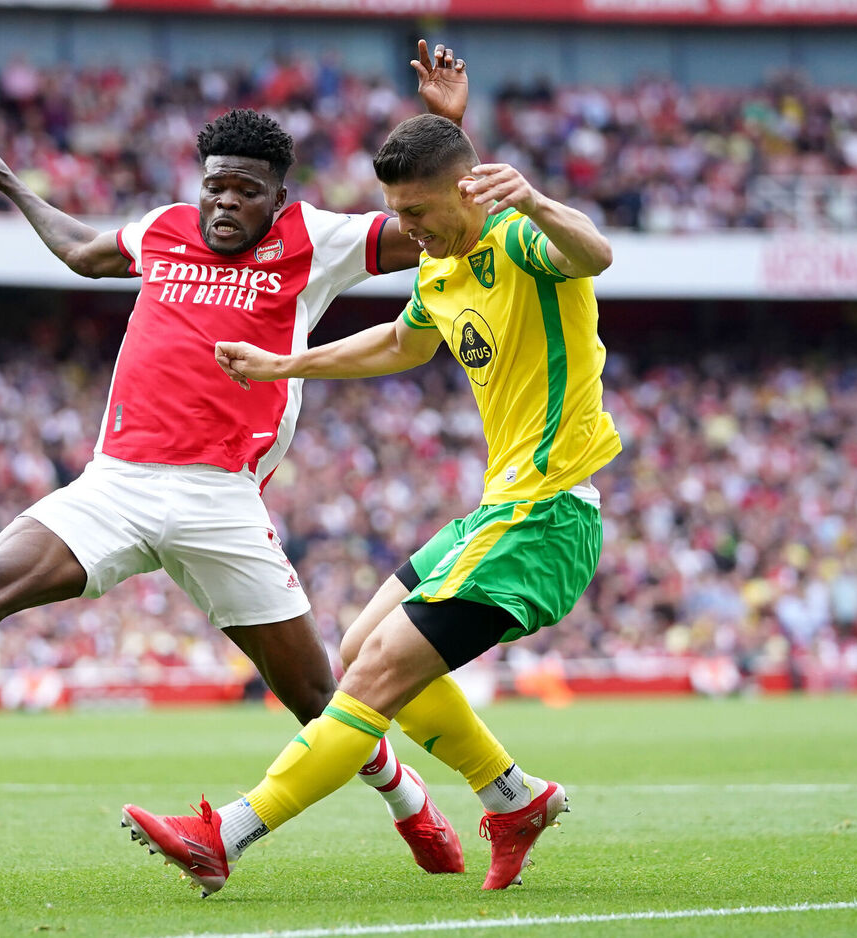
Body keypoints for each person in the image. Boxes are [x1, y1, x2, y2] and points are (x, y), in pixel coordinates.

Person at [0, 44, 480, 876]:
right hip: (118, 481)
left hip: (222, 499)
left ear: (278, 194)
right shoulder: (165, 229)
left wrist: (445, 125)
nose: (224, 202)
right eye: (216, 183)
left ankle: (413, 809)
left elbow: (431, 225)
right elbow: (80, 252)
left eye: (246, 190)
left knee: (317, 698)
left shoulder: (318, 239)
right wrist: (8, 183)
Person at [122, 112, 621, 895]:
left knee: (374, 677)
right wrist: (284, 364)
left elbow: (594, 252)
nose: (408, 231)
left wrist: (533, 198)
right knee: (359, 647)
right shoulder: (441, 267)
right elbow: (398, 343)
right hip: (500, 511)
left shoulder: (520, 240)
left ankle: (228, 832)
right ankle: (513, 798)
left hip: (548, 514)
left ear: (468, 193)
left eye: (418, 214)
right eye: (400, 215)